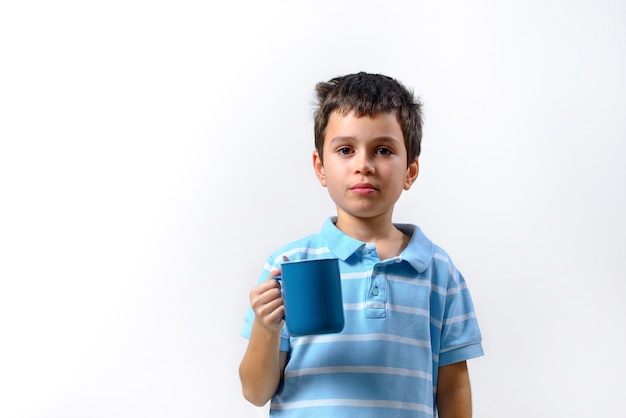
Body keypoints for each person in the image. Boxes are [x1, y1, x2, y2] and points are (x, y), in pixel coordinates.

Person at [239, 72, 483, 417]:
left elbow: (454, 387)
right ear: (320, 167)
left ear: (410, 171)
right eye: (345, 150)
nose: (363, 165)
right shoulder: (289, 263)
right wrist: (266, 327)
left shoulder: (440, 273)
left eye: (383, 150)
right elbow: (254, 391)